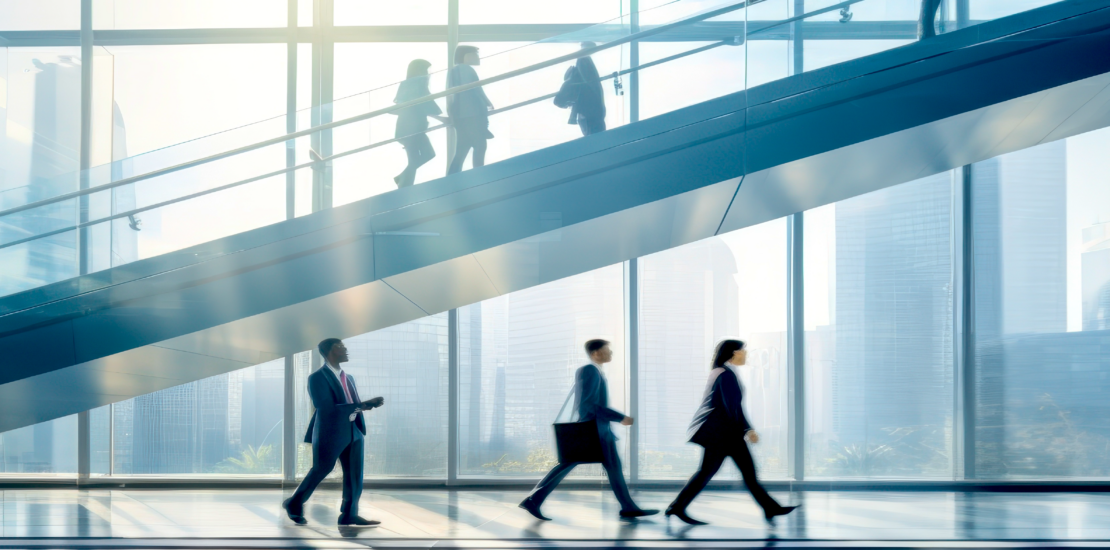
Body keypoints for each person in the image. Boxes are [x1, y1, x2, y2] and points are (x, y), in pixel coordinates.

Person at [519, 339, 658, 521]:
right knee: (570, 463)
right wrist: (619, 417)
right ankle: (533, 499)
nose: (611, 353)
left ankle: (628, 507)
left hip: (600, 430)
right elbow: (588, 405)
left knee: (612, 467)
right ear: (596, 353)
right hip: (593, 430)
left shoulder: (596, 372)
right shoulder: (589, 370)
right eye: (608, 350)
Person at [665, 339, 797, 526]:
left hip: (724, 433)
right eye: (744, 351)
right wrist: (747, 429)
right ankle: (677, 507)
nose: (746, 355)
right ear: (734, 353)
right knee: (725, 472)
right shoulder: (725, 374)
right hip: (723, 434)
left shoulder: (722, 372)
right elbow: (731, 407)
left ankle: (770, 508)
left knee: (725, 472)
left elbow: (733, 407)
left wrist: (746, 428)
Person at [282, 338, 385, 527]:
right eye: (340, 348)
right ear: (329, 352)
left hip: (354, 430)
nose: (346, 350)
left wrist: (362, 407)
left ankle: (349, 515)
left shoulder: (349, 377)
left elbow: (350, 403)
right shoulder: (317, 377)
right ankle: (294, 503)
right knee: (322, 469)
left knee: (355, 474)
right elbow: (325, 407)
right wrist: (362, 405)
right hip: (330, 431)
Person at [393, 59, 446, 188]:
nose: (428, 74)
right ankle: (405, 186)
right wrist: (442, 118)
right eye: (426, 70)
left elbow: (407, 105)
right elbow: (426, 104)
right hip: (413, 127)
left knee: (421, 157)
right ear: (420, 70)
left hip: (406, 127)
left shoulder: (406, 84)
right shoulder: (419, 83)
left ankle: (402, 180)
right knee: (420, 157)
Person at [446, 45, 494, 175]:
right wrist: (487, 103)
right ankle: (478, 176)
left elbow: (452, 94)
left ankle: (451, 178)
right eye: (475, 54)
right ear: (466, 56)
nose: (477, 57)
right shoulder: (467, 69)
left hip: (460, 115)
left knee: (462, 150)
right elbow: (475, 90)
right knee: (480, 146)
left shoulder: (454, 71)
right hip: (472, 113)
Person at [569, 42, 607, 136]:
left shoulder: (583, 60)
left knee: (593, 134)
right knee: (595, 134)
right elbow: (590, 83)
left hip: (589, 109)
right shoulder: (583, 60)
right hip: (590, 109)